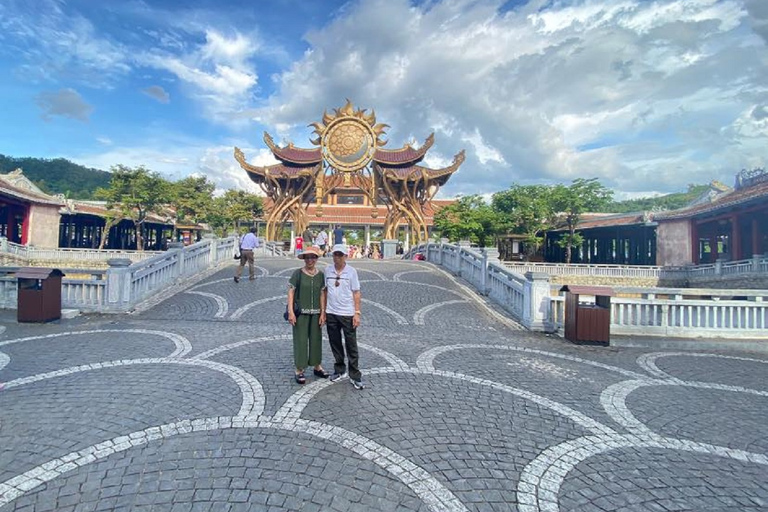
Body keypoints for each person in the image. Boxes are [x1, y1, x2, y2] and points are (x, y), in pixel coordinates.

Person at [323, 243, 364, 389]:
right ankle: (339, 369)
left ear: (345, 256)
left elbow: (356, 292)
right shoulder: (327, 270)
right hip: (331, 312)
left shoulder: (351, 272)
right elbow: (325, 291)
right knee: (335, 343)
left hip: (347, 313)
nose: (337, 257)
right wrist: (323, 312)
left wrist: (357, 313)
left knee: (351, 344)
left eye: (340, 255)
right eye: (335, 254)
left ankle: (355, 374)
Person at [287, 246, 329, 384]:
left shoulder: (321, 275)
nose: (310, 260)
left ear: (316, 259)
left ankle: (317, 366)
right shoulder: (297, 274)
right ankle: (299, 369)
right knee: (301, 340)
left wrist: (323, 312)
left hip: (316, 313)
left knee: (316, 340)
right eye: (307, 257)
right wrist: (291, 312)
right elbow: (291, 292)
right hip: (301, 314)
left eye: (313, 257)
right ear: (304, 259)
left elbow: (323, 294)